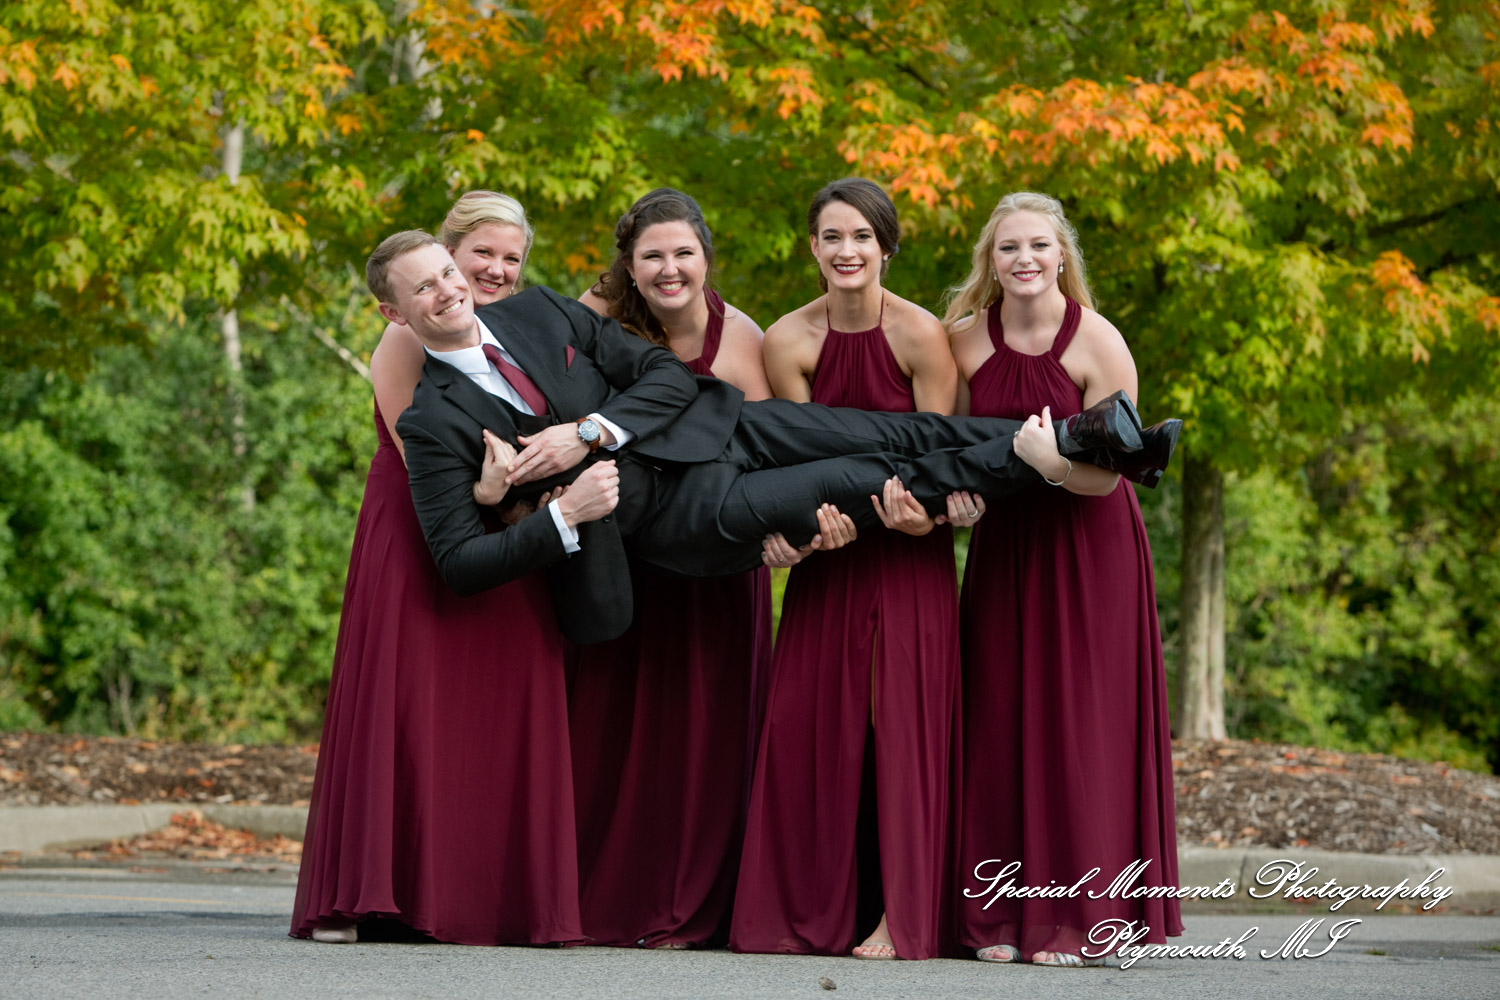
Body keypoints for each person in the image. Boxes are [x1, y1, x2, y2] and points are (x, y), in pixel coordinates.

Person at [376, 229, 1171, 644]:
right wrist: (564, 513)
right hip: (685, 512)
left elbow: (660, 375)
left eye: (448, 273)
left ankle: (1087, 433)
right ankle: (1075, 447)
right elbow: (458, 564)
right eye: (426, 289)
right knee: (860, 476)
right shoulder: (433, 418)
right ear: (395, 312)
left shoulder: (538, 309)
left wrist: (590, 429)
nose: (451, 292)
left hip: (726, 424)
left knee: (900, 431)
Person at [290, 192, 586, 946]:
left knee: (506, 696)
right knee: (419, 704)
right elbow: (429, 456)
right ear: (449, 253)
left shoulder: (516, 327)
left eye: (510, 258)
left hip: (512, 529)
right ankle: (403, 889)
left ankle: (498, 891)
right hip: (425, 532)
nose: (492, 269)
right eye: (479, 252)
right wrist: (511, 495)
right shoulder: (404, 342)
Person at [566, 189, 849, 948]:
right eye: (652, 255)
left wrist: (792, 540)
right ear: (629, 263)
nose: (669, 269)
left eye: (683, 253)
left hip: (717, 564)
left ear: (705, 258)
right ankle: (597, 901)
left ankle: (687, 909)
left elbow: (771, 455)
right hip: (623, 559)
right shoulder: (596, 323)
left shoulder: (742, 339)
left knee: (703, 736)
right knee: (611, 730)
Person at [943, 191, 1182, 966]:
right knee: (1000, 715)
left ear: (1061, 257)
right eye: (1008, 248)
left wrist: (1050, 465)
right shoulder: (962, 344)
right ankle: (995, 917)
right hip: (1006, 548)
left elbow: (1112, 477)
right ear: (991, 260)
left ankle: (1076, 918)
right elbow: (944, 445)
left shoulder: (1099, 343)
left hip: (1088, 548)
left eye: (1038, 247)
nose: (1024, 260)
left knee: (1079, 724)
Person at [731, 178, 964, 960]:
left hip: (910, 552)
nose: (847, 251)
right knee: (813, 723)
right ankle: (806, 910)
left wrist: (926, 518)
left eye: (862, 237)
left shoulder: (923, 337)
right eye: (832, 237)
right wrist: (804, 532)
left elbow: (944, 459)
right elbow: (789, 461)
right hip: (829, 557)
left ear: (886, 248)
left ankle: (903, 916)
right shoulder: (788, 342)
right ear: (813, 249)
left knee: (899, 725)